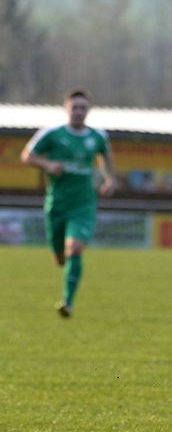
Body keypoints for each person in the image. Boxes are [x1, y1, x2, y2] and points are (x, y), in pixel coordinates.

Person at [21, 89, 116, 318]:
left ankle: (68, 302)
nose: (79, 112)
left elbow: (105, 156)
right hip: (57, 204)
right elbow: (27, 155)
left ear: (88, 110)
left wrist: (110, 178)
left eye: (83, 108)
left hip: (83, 205)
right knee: (60, 258)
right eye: (75, 107)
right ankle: (63, 261)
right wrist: (48, 165)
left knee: (74, 248)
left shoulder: (98, 136)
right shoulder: (52, 134)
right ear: (66, 108)